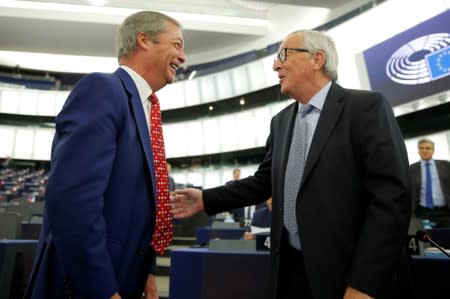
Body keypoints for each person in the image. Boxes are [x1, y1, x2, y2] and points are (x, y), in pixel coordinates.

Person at [172, 29, 411, 299]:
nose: (275, 65)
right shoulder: (281, 121)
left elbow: (392, 199)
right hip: (292, 272)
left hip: (351, 277)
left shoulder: (366, 108)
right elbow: (264, 182)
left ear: (317, 59)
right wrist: (206, 198)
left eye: (283, 55)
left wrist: (365, 284)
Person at [24, 11, 186, 299]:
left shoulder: (145, 106)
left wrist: (147, 270)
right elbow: (73, 202)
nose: (182, 56)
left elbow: (143, 200)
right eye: (177, 44)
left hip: (126, 275)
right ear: (144, 40)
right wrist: (101, 289)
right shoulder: (103, 89)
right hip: (88, 283)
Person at [409, 138, 450, 227]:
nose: (424, 150)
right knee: (427, 240)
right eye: (421, 148)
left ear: (433, 150)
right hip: (423, 213)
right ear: (418, 151)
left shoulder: (446, 165)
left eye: (427, 148)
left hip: (445, 212)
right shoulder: (411, 169)